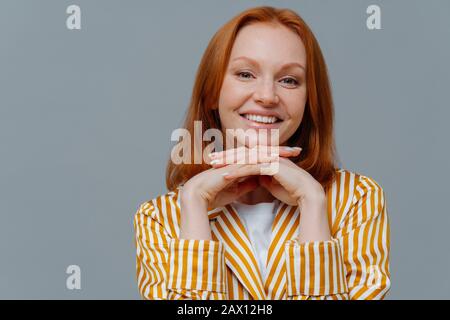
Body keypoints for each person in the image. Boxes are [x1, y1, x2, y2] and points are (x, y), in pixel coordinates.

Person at [133, 6, 390, 300]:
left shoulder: (356, 200)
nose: (267, 96)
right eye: (245, 74)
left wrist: (312, 201)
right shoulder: (160, 218)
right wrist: (194, 206)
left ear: (309, 100)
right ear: (211, 93)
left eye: (289, 80)